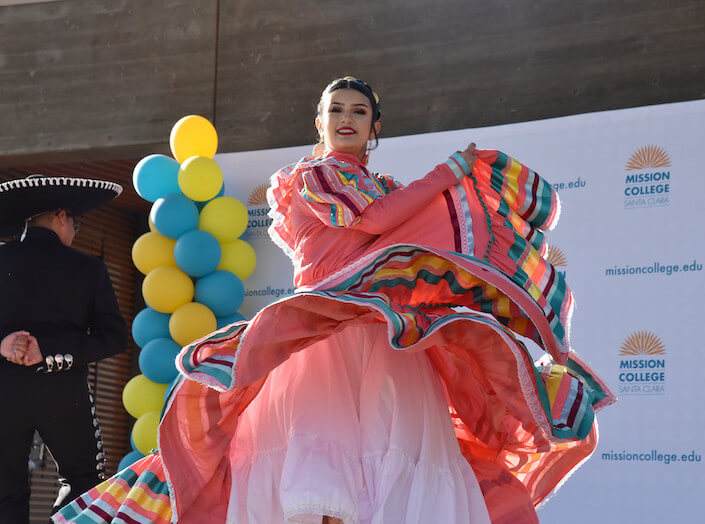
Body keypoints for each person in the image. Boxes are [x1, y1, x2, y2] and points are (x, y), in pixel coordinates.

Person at [54, 77, 615, 524]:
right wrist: (452, 170)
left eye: (358, 112)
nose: (346, 119)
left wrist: (464, 190)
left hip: (387, 340)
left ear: (374, 128)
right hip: (320, 336)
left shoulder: (384, 185)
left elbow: (406, 227)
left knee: (389, 467)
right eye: (336, 110)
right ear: (319, 122)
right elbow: (372, 222)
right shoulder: (313, 178)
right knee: (316, 471)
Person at [0, 175, 128, 523]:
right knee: (83, 482)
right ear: (61, 216)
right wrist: (51, 350)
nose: (75, 231)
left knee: (5, 490)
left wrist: (4, 344)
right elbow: (115, 336)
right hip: (62, 389)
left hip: (4, 393)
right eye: (76, 222)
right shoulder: (87, 268)